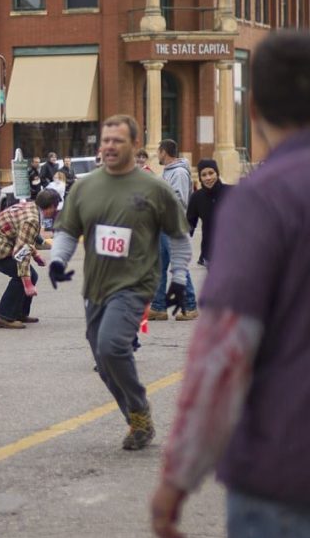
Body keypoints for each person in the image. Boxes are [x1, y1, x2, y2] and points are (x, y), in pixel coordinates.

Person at [151, 30, 310, 538]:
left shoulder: (266, 197)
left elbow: (223, 353)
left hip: (294, 476)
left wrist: (180, 474)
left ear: (252, 109)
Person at [48, 115, 191, 450]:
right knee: (103, 360)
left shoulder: (155, 189)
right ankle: (137, 419)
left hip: (135, 284)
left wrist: (180, 277)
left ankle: (139, 409)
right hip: (96, 287)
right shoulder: (84, 186)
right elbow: (67, 231)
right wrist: (57, 261)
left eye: (118, 141)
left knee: (112, 346)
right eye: (105, 140)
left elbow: (180, 237)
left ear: (135, 146)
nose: (109, 146)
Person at [0, 190, 57, 329]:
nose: (55, 211)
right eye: (55, 207)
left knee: (31, 275)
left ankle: (19, 313)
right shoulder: (32, 219)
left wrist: (36, 255)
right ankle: (4, 316)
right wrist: (27, 283)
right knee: (21, 277)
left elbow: (22, 239)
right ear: (51, 206)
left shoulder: (30, 207)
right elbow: (22, 252)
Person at [148, 139, 199, 322]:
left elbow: (179, 200)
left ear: (164, 152)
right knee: (159, 267)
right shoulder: (167, 172)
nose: (157, 155)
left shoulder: (178, 173)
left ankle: (190, 306)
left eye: (158, 152)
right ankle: (159, 307)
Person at [186, 158, 231, 266]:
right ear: (200, 178)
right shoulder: (197, 197)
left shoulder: (232, 192)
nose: (208, 178)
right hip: (209, 255)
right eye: (204, 175)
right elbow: (189, 224)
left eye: (211, 173)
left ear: (217, 173)